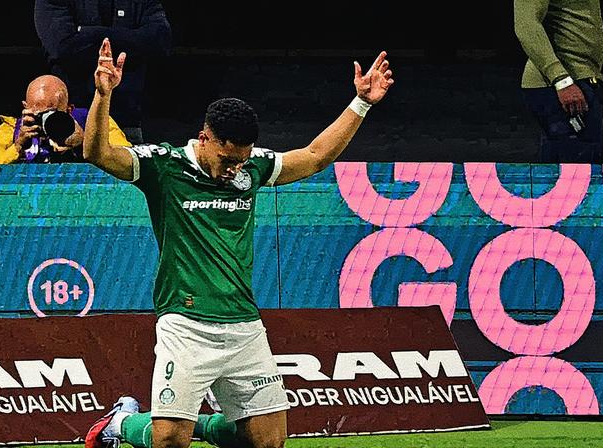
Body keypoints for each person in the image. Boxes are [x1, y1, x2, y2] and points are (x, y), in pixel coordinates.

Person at [83, 38, 393, 448]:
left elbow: (316, 156)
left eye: (242, 160)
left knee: (267, 442)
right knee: (170, 440)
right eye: (228, 159)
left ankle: (205, 427)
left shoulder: (253, 168)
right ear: (205, 138)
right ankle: (122, 424)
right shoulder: (164, 167)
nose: (235, 169)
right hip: (186, 324)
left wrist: (361, 103)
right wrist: (103, 95)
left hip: (244, 324)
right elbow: (97, 152)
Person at [514, 0, 603, 163]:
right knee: (578, 170)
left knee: (582, 166)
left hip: (583, 80)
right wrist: (561, 80)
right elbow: (526, 26)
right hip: (557, 84)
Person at [34, 0, 172, 144]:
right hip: (68, 124)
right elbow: (62, 47)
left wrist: (89, 33)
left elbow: (161, 41)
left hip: (126, 124)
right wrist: (132, 40)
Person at [0, 75, 129, 164]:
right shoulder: (11, 129)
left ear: (69, 109)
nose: (45, 120)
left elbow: (127, 159)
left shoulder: (93, 122)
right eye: (38, 114)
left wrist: (85, 144)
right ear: (25, 107)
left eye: (52, 114)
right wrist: (17, 148)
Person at [88, 395, 240, 448]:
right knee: (168, 437)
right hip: (192, 335)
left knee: (251, 432)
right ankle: (121, 422)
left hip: (244, 330)